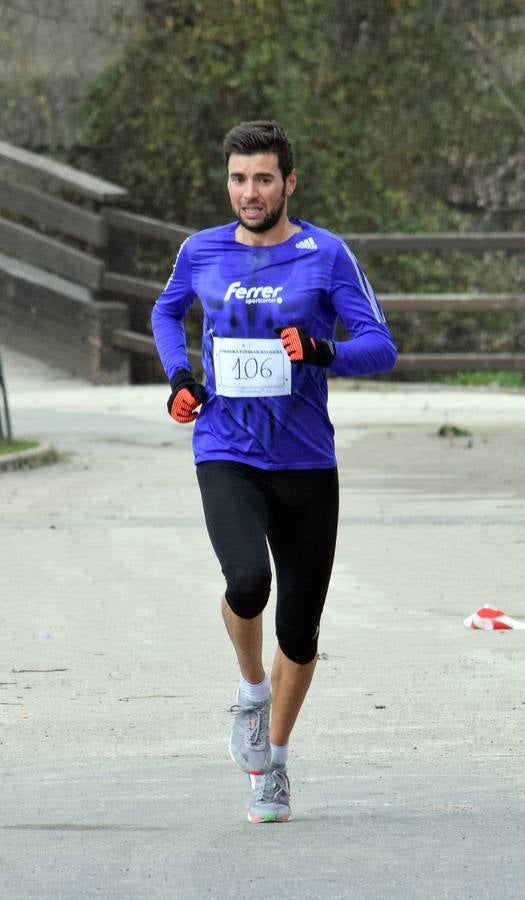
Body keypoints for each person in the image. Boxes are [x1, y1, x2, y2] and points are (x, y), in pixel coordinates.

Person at [151, 120, 397, 823]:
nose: (248, 192)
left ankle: (275, 764)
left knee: (301, 630)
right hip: (226, 447)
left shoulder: (326, 255)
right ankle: (250, 690)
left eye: (262, 178)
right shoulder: (200, 250)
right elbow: (166, 310)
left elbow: (379, 347)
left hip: (305, 460)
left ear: (288, 182)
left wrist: (320, 351)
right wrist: (178, 377)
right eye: (237, 178)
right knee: (247, 581)